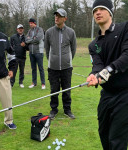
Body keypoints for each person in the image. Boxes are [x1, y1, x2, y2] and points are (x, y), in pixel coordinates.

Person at [86, 0, 128, 149]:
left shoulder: (124, 29)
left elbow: (126, 55)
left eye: (102, 9)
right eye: (95, 10)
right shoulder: (94, 44)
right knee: (104, 133)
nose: (97, 12)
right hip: (107, 94)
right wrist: (93, 75)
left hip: (124, 94)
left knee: (116, 139)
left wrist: (108, 70)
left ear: (110, 12)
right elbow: (98, 65)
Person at [45, 8, 77, 119]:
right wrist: (52, 60)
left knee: (66, 89)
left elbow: (73, 49)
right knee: (54, 90)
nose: (56, 17)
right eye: (56, 15)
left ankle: (67, 110)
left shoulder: (71, 32)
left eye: (59, 16)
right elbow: (47, 49)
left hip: (67, 67)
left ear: (65, 18)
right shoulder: (49, 32)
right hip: (53, 68)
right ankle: (54, 109)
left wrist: (67, 60)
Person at [25, 18, 46, 89]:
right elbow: (26, 40)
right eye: (29, 23)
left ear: (35, 23)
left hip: (39, 52)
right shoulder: (29, 31)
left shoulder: (40, 29)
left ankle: (43, 83)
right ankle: (34, 83)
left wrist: (31, 39)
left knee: (41, 68)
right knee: (33, 68)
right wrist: (32, 39)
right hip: (31, 52)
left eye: (31, 23)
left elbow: (38, 39)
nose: (30, 24)